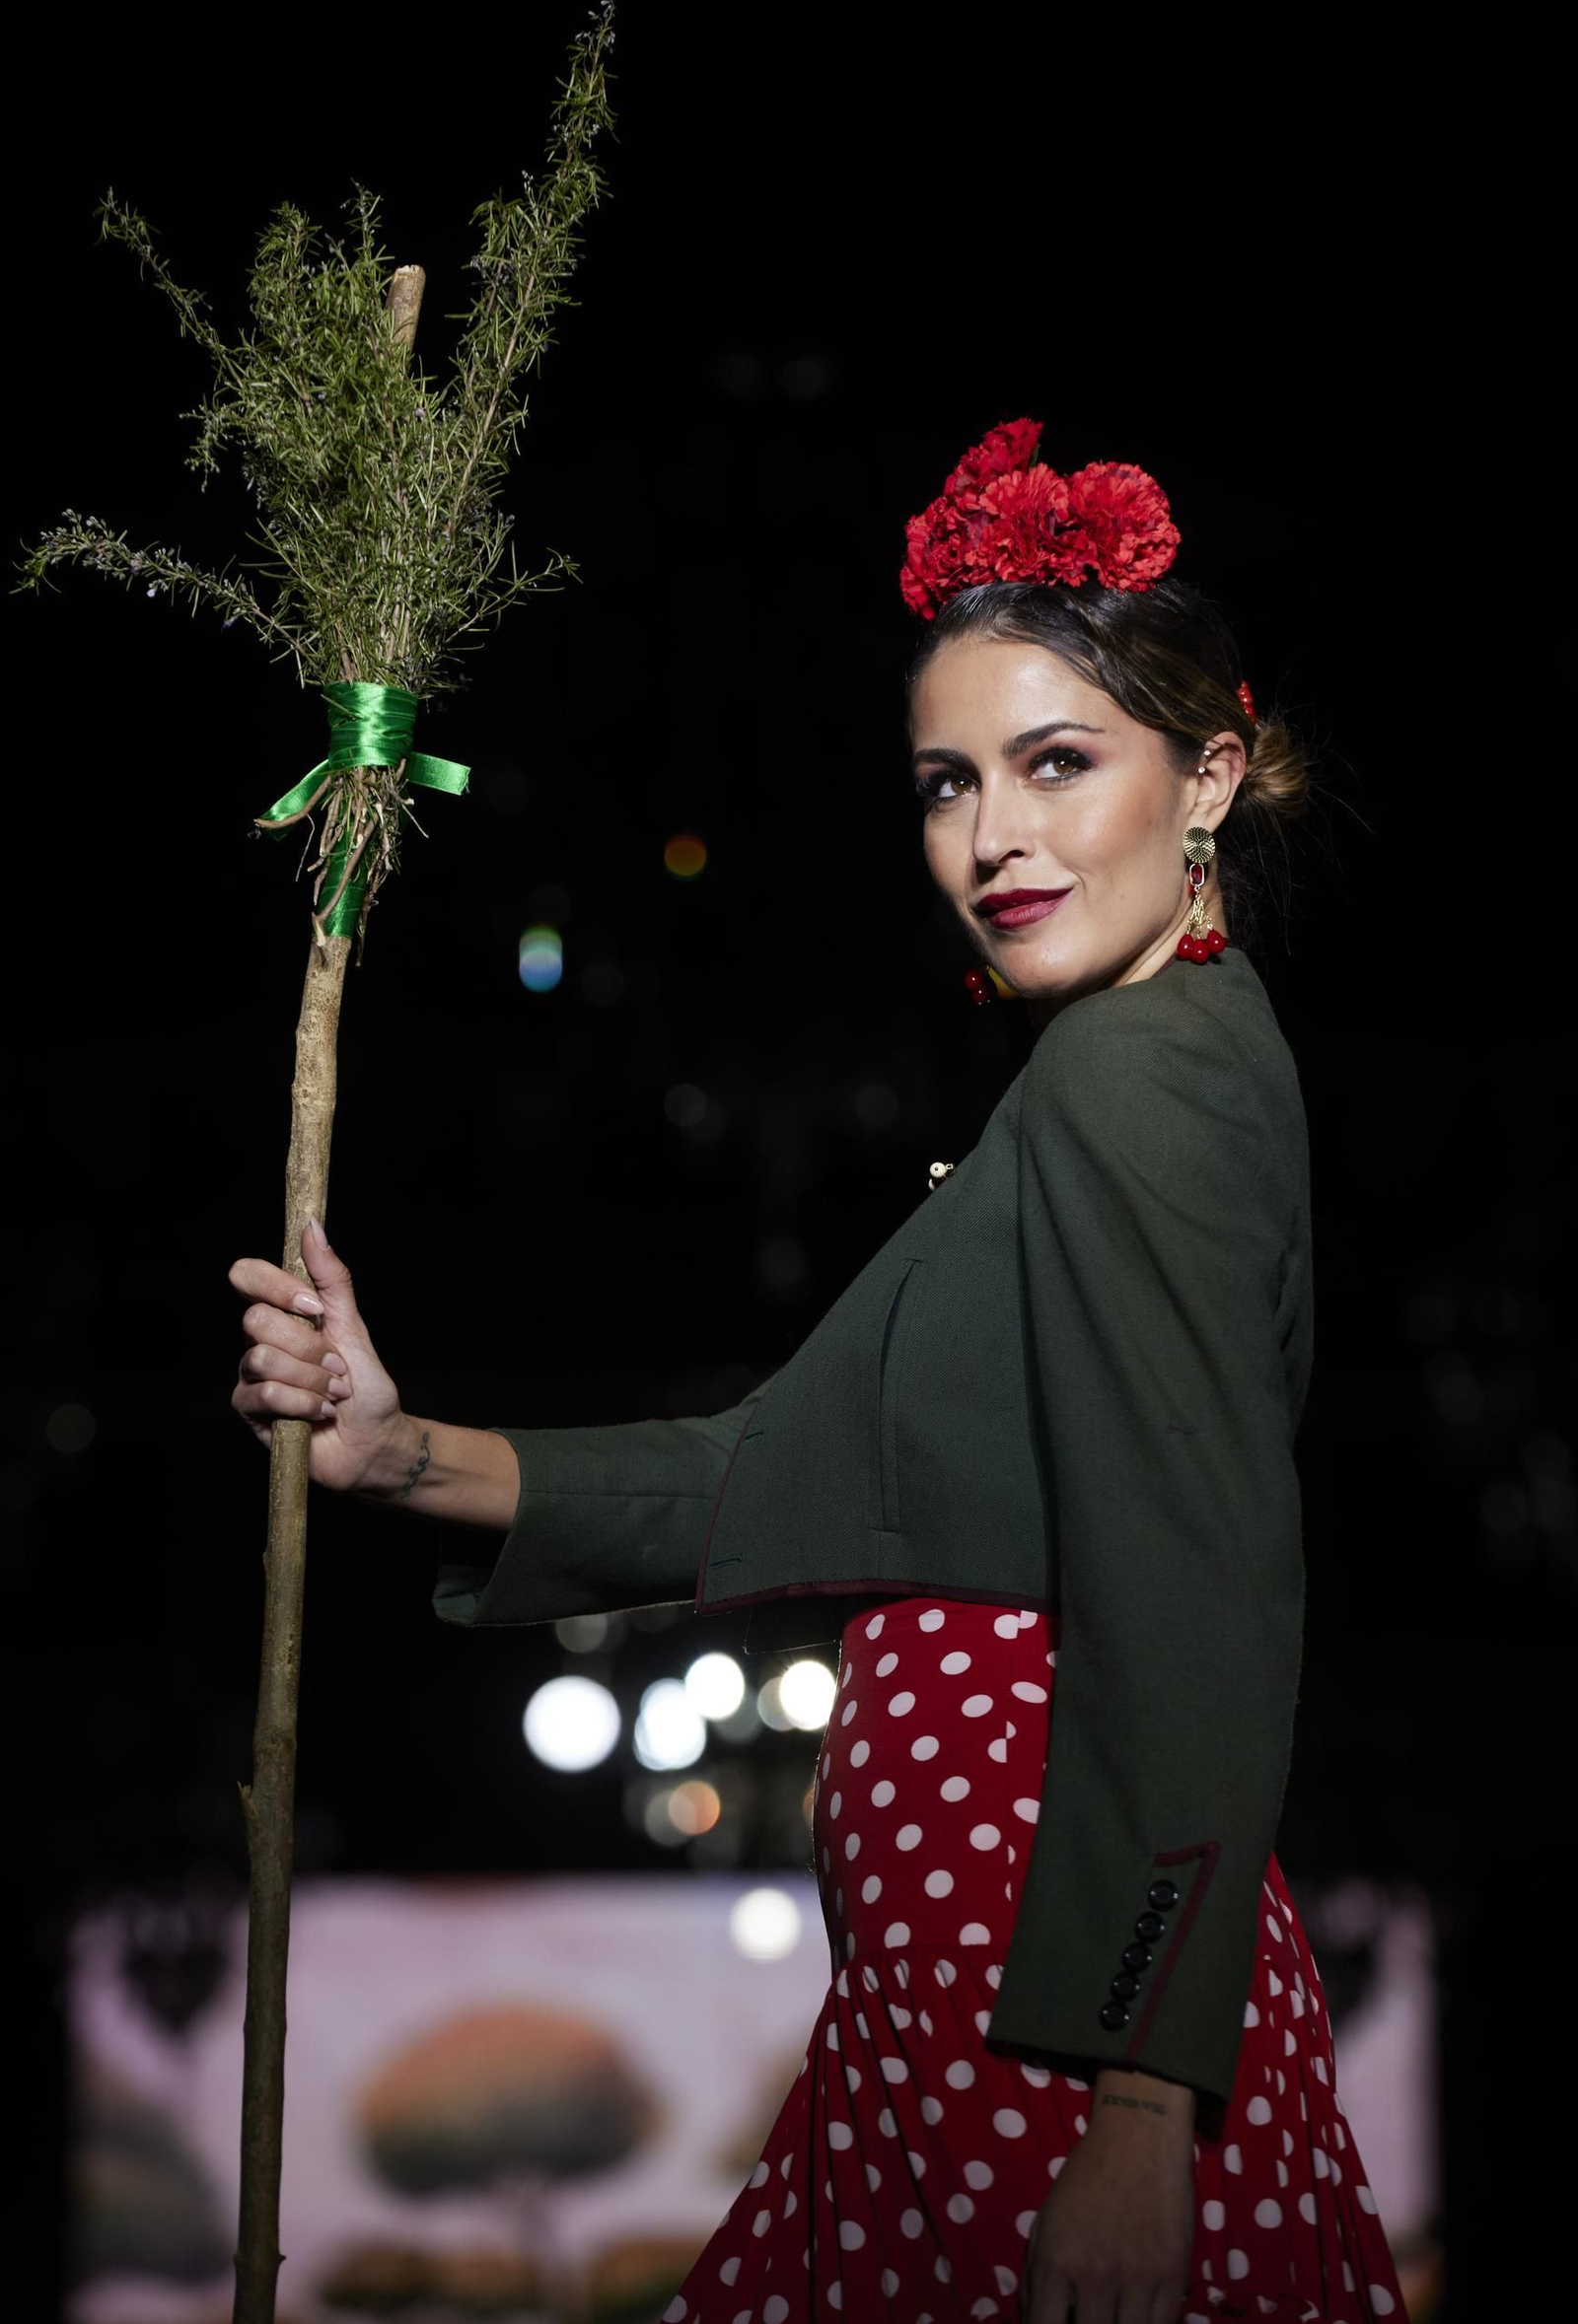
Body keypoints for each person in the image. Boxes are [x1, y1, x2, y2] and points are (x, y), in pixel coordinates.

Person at [229, 420, 1406, 2323]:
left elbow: (1200, 1583)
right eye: (949, 783)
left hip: (1051, 1975)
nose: (992, 838)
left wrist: (1133, 2094)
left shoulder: (1141, 1077)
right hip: (971, 1979)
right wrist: (399, 1450)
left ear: (1209, 781)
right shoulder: (1137, 1068)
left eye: (1055, 763)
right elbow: (785, 1466)